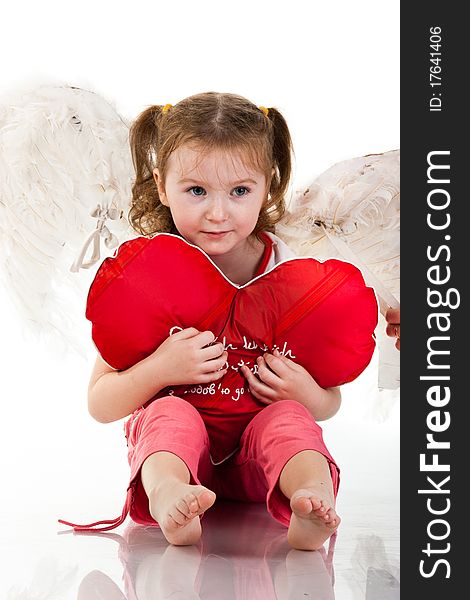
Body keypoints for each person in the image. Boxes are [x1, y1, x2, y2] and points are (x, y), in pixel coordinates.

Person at [85, 92, 342, 551]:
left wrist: (302, 392)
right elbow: (102, 403)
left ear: (268, 188)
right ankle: (168, 498)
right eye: (196, 190)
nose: (218, 213)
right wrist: (159, 370)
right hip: (179, 457)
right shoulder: (146, 273)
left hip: (261, 457)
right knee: (169, 414)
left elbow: (327, 402)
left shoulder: (288, 273)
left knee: (289, 420)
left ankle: (310, 500)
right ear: (162, 186)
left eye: (240, 191)